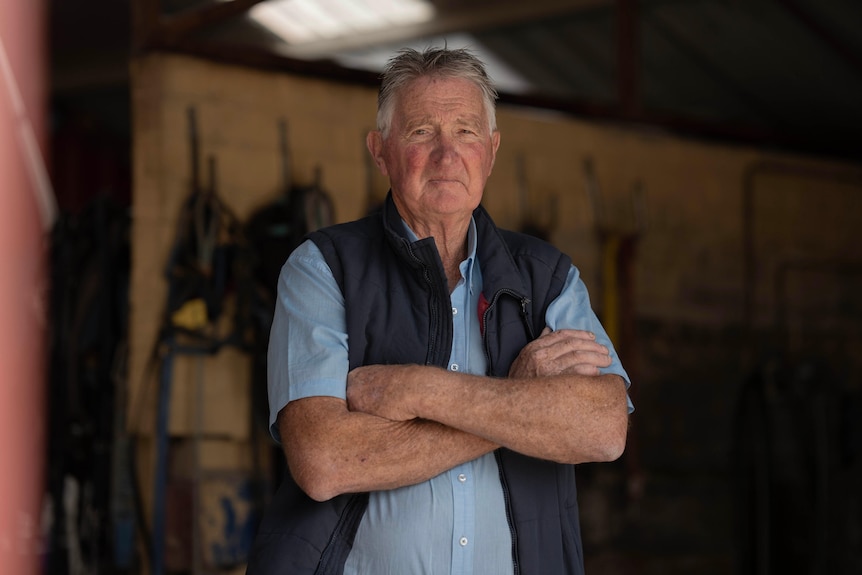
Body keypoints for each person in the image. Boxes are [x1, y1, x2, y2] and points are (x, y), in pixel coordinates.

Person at [247, 46, 633, 575]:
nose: (447, 155)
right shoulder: (324, 268)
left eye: (467, 132)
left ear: (492, 152)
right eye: (422, 132)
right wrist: (521, 403)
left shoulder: (546, 277)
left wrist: (412, 390)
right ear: (380, 151)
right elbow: (324, 461)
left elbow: (604, 429)